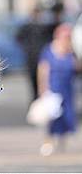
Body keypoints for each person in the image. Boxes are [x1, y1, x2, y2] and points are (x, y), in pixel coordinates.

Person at [36, 23, 79, 156]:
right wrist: (42, 87)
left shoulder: (70, 51)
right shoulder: (49, 49)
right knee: (53, 116)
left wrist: (73, 51)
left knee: (67, 115)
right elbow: (42, 69)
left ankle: (62, 143)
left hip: (68, 87)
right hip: (54, 86)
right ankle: (48, 141)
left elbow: (77, 68)